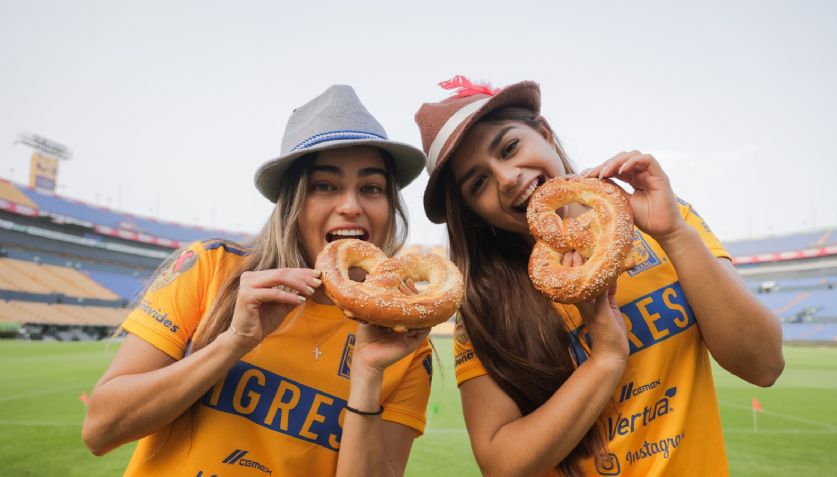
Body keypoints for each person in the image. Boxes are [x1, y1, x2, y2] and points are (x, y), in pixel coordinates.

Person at [413, 76, 784, 476]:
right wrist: (605, 359)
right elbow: (502, 465)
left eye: (509, 147)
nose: (506, 178)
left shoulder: (663, 221)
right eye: (478, 182)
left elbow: (763, 365)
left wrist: (674, 234)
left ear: (545, 134)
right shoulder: (483, 305)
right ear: (473, 211)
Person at [82, 85, 434, 477]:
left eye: (371, 188)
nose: (350, 205)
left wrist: (367, 373)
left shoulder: (402, 343)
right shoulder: (210, 268)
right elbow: (101, 430)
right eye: (325, 186)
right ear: (293, 203)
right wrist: (234, 342)